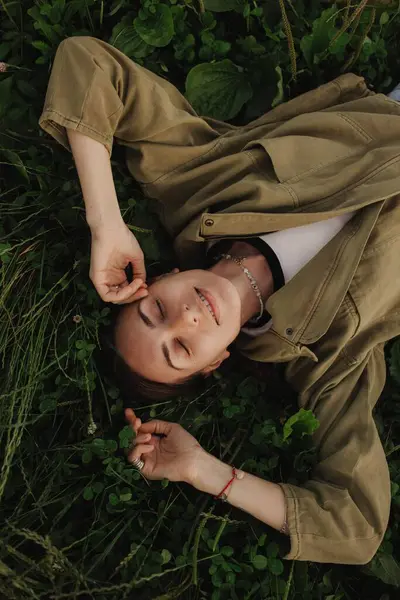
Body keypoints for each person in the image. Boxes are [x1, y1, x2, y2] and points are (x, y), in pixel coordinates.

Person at [39, 36, 400, 565]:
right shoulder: (323, 359)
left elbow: (88, 62)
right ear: (214, 364)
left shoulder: (196, 184)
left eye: (156, 310)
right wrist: (206, 472)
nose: (184, 317)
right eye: (180, 349)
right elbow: (356, 526)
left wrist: (106, 223)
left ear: (167, 277)